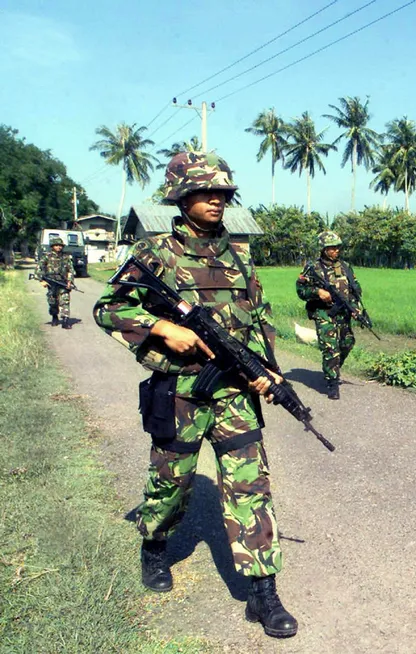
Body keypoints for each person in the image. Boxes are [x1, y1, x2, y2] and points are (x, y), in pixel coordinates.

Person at [93, 152, 298, 638]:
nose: (216, 201)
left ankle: (262, 592)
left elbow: (258, 323)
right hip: (181, 393)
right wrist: (163, 327)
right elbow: (108, 308)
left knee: (252, 488)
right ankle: (155, 544)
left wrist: (269, 373)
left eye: (223, 194)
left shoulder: (240, 257)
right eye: (206, 193)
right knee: (172, 484)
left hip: (234, 395)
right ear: (182, 197)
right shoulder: (154, 255)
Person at [296, 230, 365, 400]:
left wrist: (357, 310)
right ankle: (332, 383)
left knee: (347, 343)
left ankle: (332, 368)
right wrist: (317, 291)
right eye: (332, 248)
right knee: (330, 348)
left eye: (337, 248)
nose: (336, 251)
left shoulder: (346, 267)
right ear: (324, 249)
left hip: (343, 313)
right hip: (323, 313)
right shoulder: (313, 268)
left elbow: (355, 291)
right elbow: (300, 289)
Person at [36, 237, 74, 329]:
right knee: (52, 301)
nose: (59, 247)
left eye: (60, 245)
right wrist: (42, 280)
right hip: (51, 283)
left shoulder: (66, 257)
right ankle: (54, 317)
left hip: (62, 282)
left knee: (65, 300)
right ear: (52, 246)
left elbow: (71, 270)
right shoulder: (46, 257)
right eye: (56, 245)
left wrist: (69, 281)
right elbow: (39, 269)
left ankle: (65, 320)